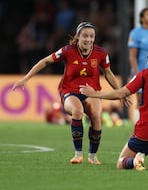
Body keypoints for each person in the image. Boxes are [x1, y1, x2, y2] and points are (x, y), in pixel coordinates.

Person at [12, 21, 122, 164]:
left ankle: (93, 156)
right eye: (85, 36)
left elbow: (108, 73)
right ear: (78, 36)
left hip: (91, 92)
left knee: (95, 115)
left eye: (91, 37)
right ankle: (78, 155)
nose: (88, 40)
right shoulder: (68, 51)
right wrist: (26, 78)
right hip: (70, 90)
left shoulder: (101, 53)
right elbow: (45, 61)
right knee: (77, 111)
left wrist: (120, 92)